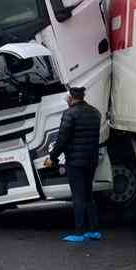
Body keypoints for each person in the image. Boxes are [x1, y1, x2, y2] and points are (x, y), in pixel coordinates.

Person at [51, 85, 102, 243]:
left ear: (70, 98)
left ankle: (79, 232)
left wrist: (53, 157)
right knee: (88, 195)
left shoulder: (69, 114)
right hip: (91, 160)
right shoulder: (95, 112)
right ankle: (93, 231)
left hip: (75, 161)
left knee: (78, 196)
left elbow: (62, 139)